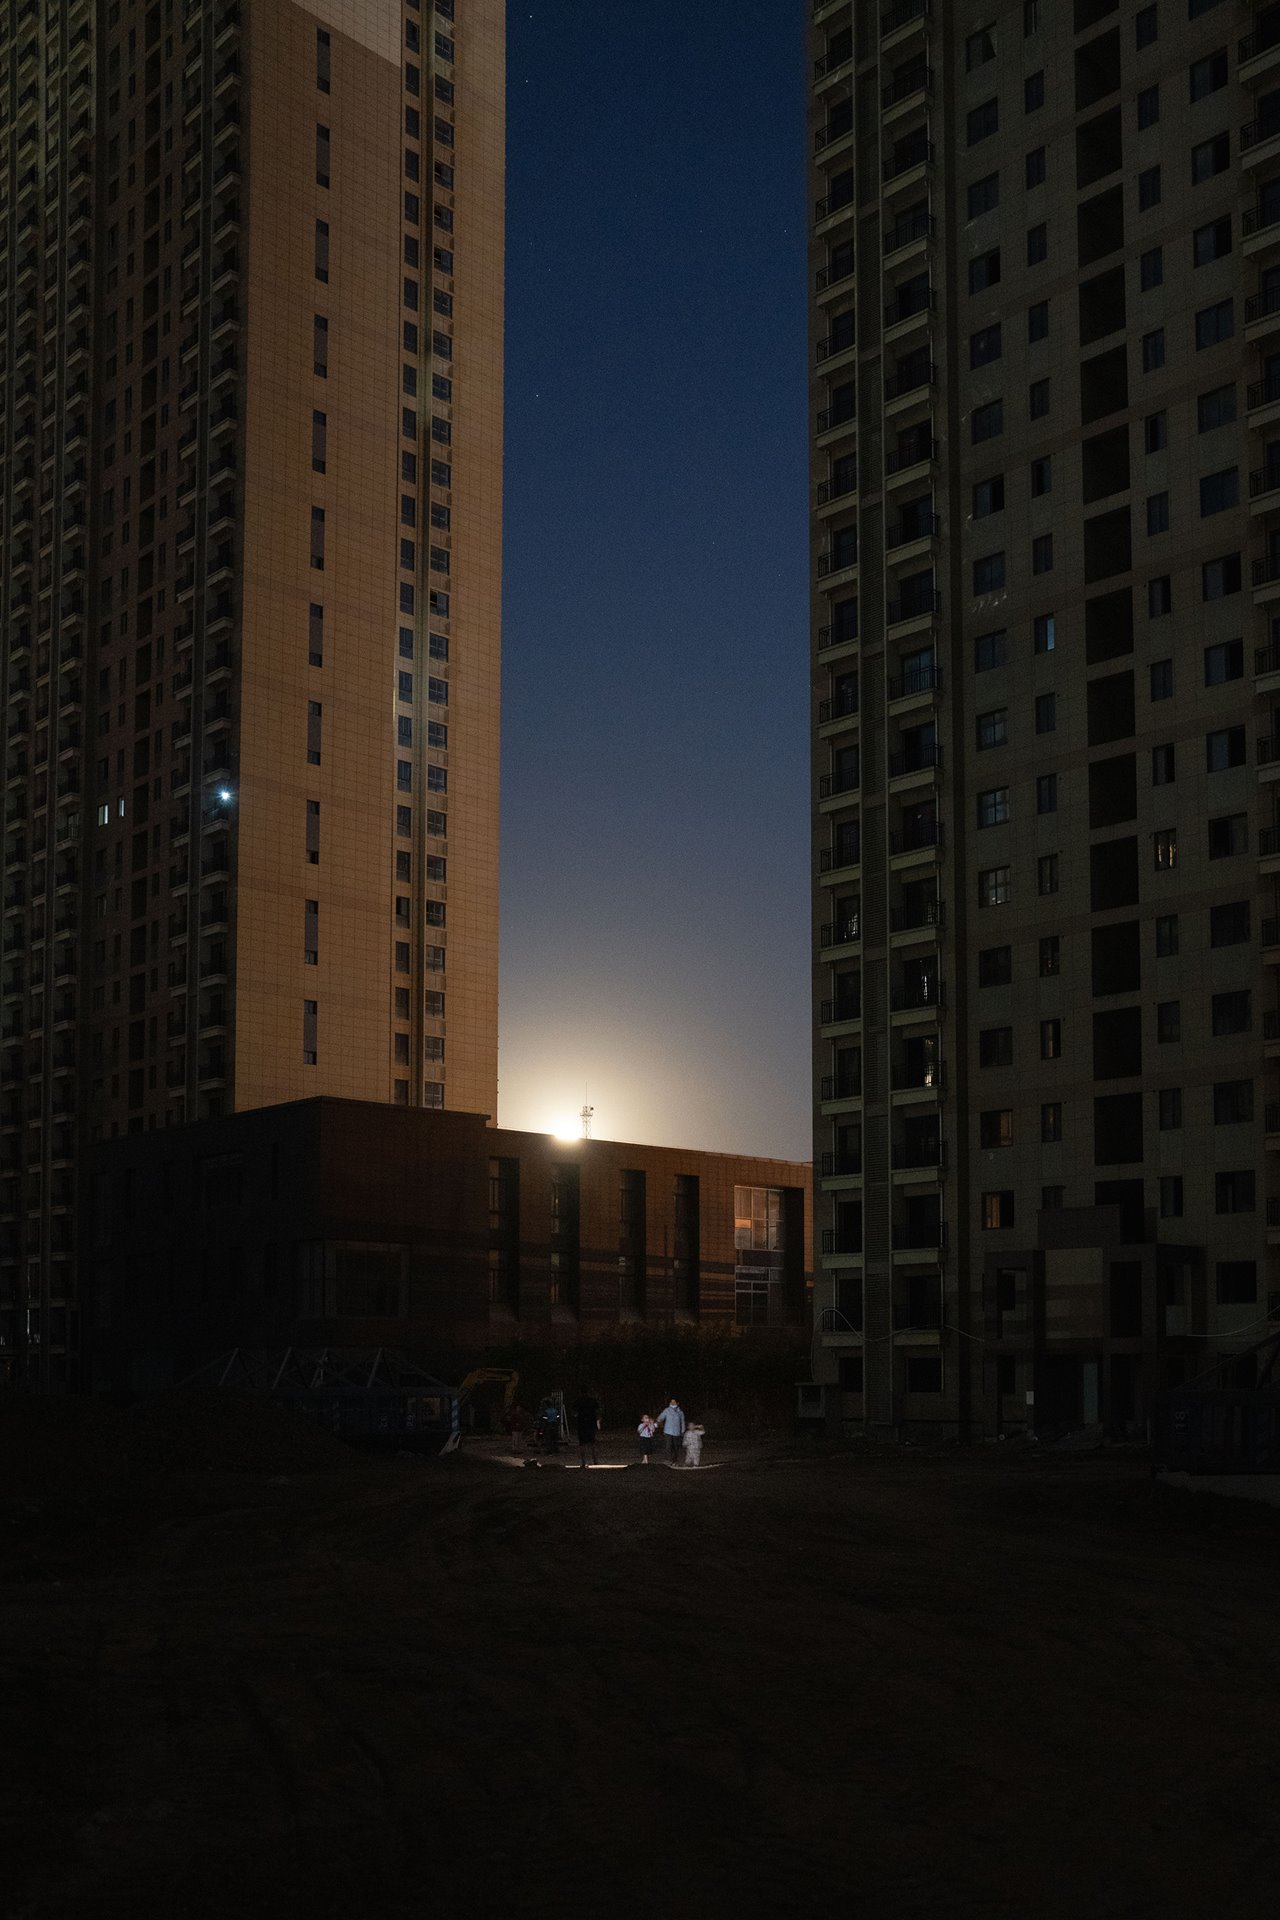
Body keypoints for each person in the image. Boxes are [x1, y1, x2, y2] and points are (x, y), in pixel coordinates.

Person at [573, 1387, 601, 1468]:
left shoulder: (578, 1401)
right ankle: (595, 1461)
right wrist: (598, 1421)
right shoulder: (592, 1400)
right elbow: (598, 1411)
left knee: (582, 1444)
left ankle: (583, 1462)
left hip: (581, 1423)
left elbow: (574, 1412)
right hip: (591, 1423)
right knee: (592, 1443)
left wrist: (577, 1416)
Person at [654, 1397, 686, 1463]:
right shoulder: (667, 1410)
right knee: (668, 1446)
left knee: (675, 1447)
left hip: (676, 1432)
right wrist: (657, 1421)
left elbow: (682, 1422)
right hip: (668, 1431)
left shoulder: (680, 1412)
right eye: (671, 1402)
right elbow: (661, 1417)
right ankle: (668, 1459)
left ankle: (674, 1460)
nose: (672, 1403)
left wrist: (683, 1430)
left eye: (674, 1402)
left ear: (677, 1403)